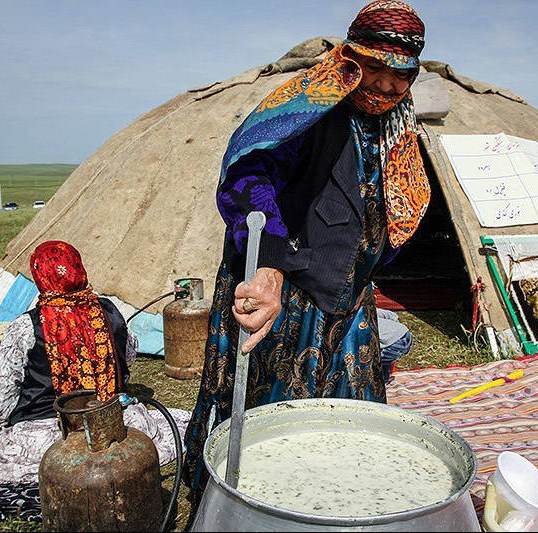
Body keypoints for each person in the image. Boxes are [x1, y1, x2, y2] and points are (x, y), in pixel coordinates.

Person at [182, 0, 430, 506]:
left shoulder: (393, 124)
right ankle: (257, 506)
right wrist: (269, 265)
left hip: (346, 288)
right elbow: (251, 177)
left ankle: (339, 498)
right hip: (285, 284)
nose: (385, 85)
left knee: (349, 414)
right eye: (375, 68)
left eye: (400, 74)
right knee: (275, 414)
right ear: (350, 58)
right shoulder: (309, 107)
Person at [0, 241, 189, 484]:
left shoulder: (26, 328)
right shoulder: (109, 312)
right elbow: (129, 355)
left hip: (50, 436)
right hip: (111, 424)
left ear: (40, 277)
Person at [377, 307, 412, 383]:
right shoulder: (366, 310)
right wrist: (394, 329)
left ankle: (379, 383)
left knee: (369, 359)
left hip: (393, 345)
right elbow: (392, 315)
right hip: (406, 334)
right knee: (383, 357)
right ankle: (384, 379)